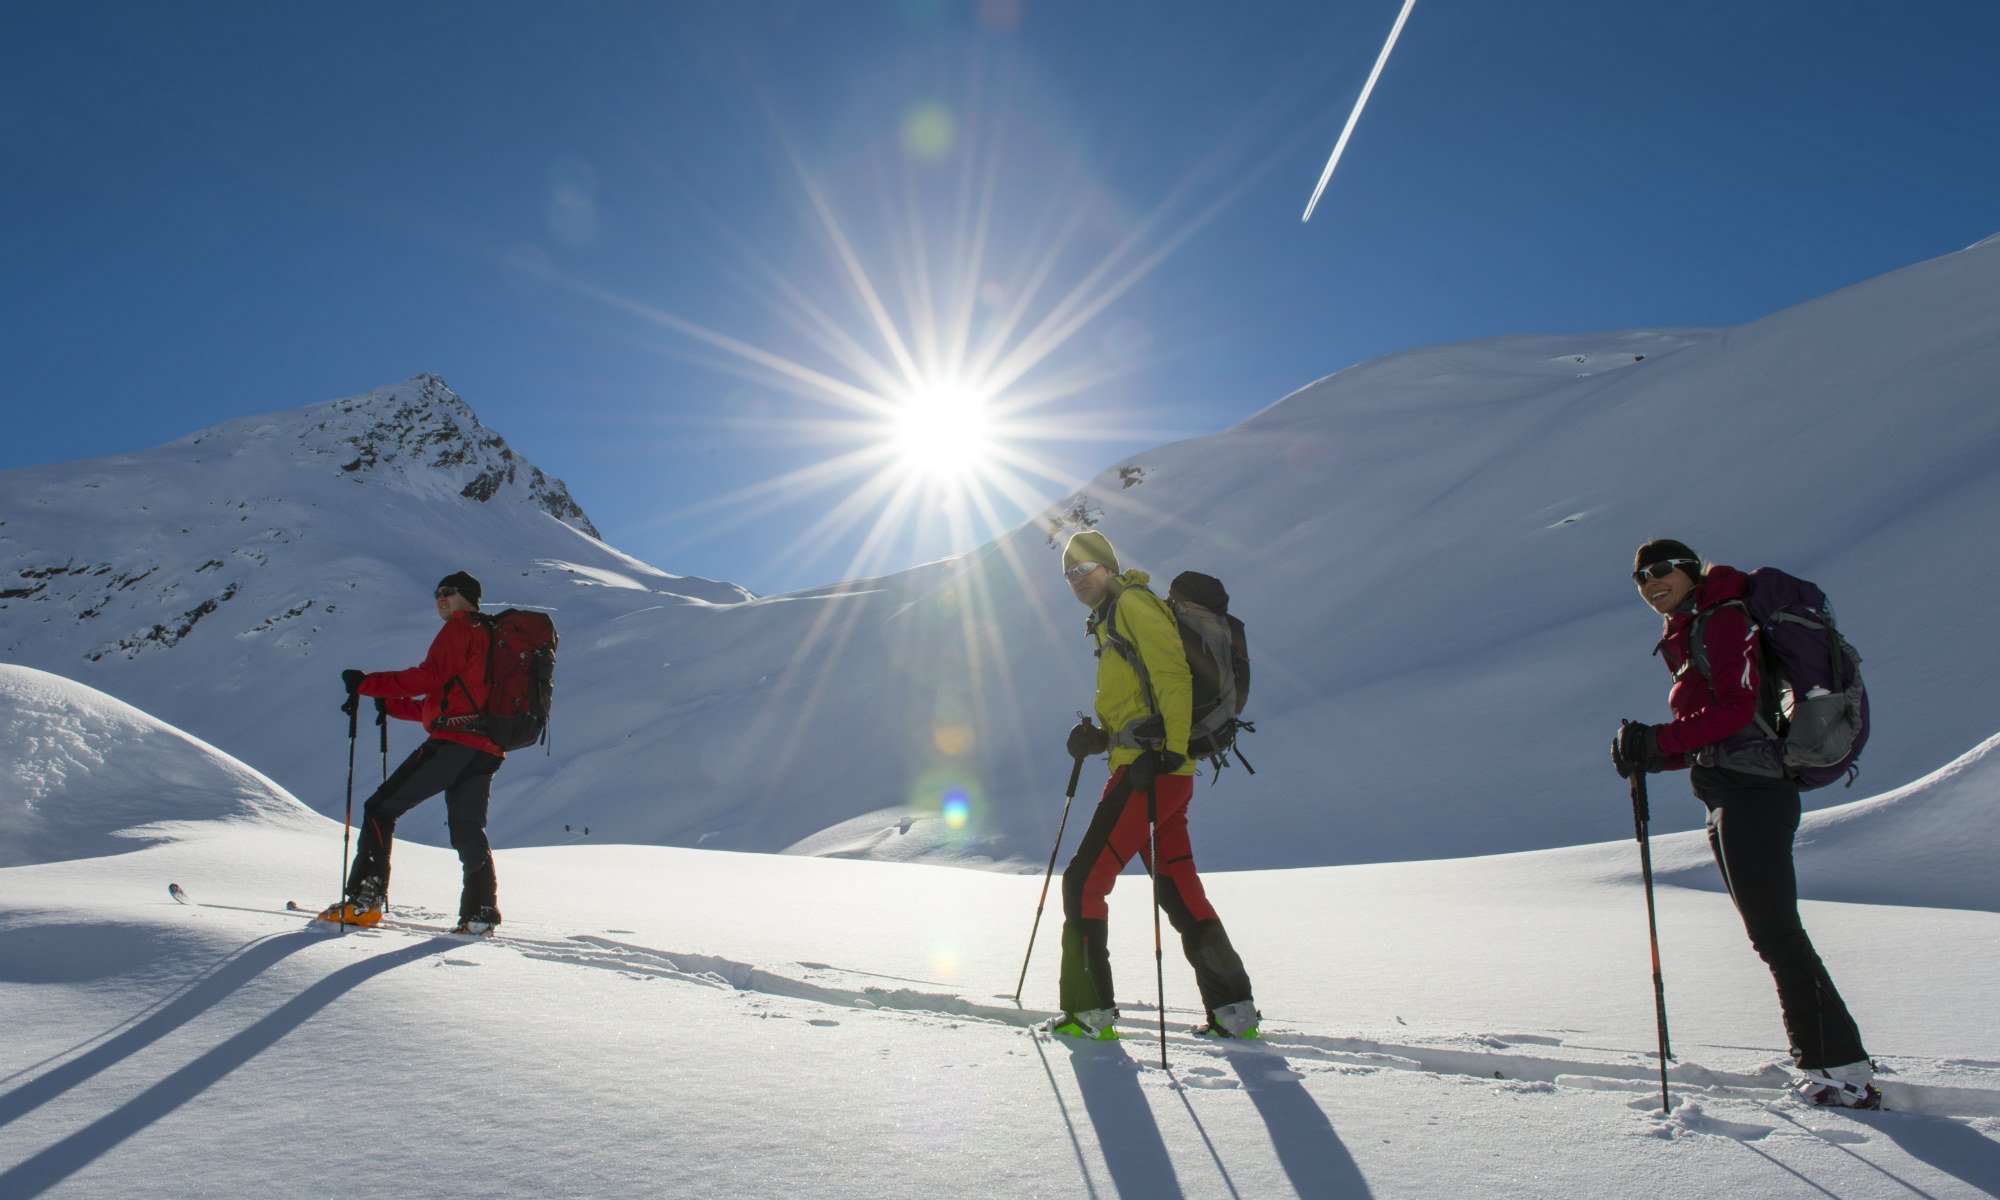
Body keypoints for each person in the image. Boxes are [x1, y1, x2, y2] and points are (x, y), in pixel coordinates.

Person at [1612, 539, 1877, 1108]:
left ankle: (1842, 1073)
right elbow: (1730, 730)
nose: (1650, 582)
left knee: (1777, 934)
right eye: (1640, 576)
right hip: (1733, 789)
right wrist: (1653, 754)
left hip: (1754, 794)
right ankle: (1831, 1062)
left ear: (1688, 572)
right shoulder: (1695, 629)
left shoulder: (1723, 621)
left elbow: (1733, 711)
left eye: (1662, 571)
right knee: (1773, 936)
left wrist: (1657, 739)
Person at [1046, 530, 1259, 1041]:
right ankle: (1235, 1012)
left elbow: (1172, 676)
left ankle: (1089, 1013)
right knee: (1180, 890)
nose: (1077, 580)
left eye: (1085, 569)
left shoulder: (1133, 605)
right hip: (1151, 770)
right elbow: (1140, 703)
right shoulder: (1107, 620)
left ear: (1109, 567)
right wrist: (1097, 738)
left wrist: (1171, 751)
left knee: (1083, 882)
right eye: (1069, 575)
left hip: (1152, 772)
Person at [316, 571, 506, 936]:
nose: (440, 598)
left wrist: (368, 684)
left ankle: (364, 900)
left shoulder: (460, 629)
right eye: (437, 593)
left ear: (467, 597)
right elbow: (443, 701)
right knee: (469, 828)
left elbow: (428, 676)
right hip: (486, 747)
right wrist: (391, 705)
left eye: (449, 592)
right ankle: (480, 913)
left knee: (380, 808)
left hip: (455, 743)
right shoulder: (490, 637)